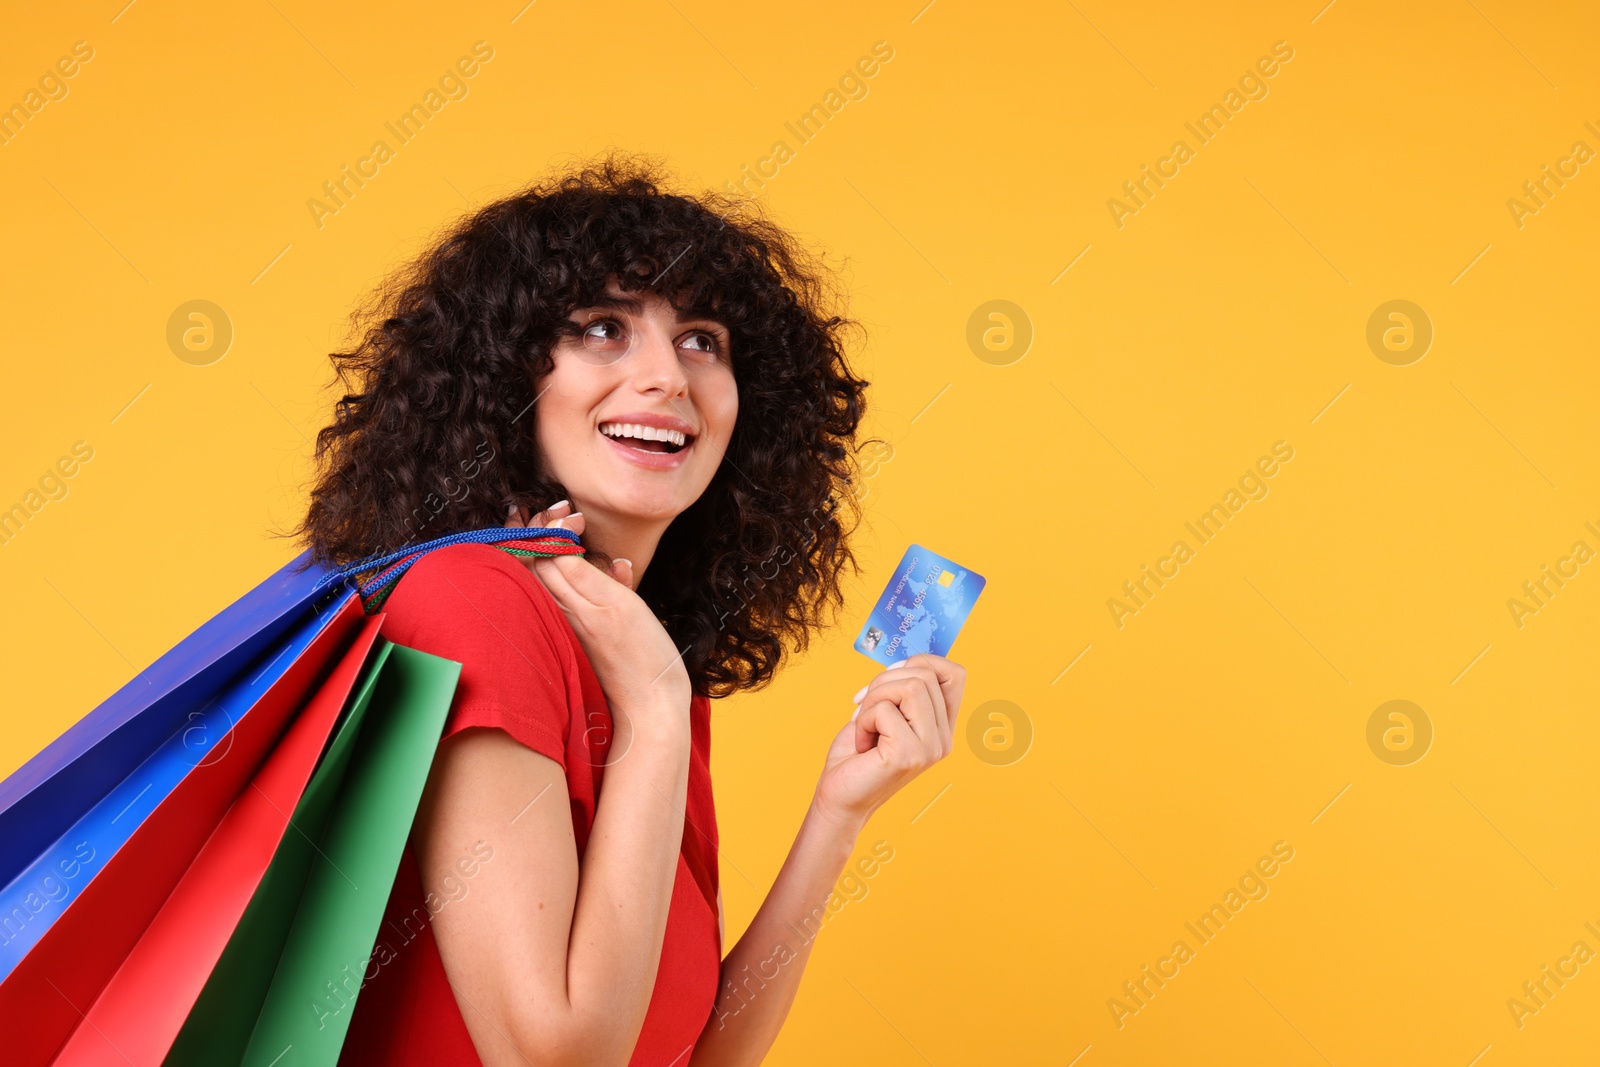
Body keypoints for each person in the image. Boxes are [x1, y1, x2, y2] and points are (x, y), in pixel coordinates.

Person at [293, 154, 966, 1066]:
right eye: (604, 329)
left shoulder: (644, 659)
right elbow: (556, 1059)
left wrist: (839, 814)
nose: (668, 377)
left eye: (702, 339)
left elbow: (696, 1054)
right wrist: (650, 709)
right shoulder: (476, 603)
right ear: (503, 379)